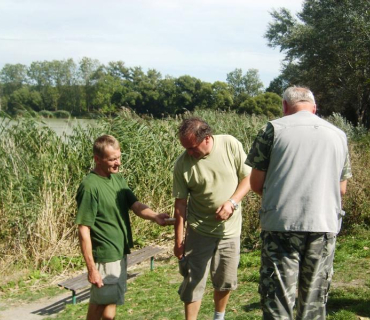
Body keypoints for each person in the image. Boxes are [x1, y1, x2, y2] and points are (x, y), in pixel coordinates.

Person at [246, 86, 352, 319]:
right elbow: (341, 188)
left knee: (278, 298)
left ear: (284, 106)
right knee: (314, 299)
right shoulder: (338, 134)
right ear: (314, 107)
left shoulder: (272, 129)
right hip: (323, 224)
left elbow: (255, 183)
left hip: (281, 224)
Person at [75, 134, 169, 320]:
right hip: (105, 255)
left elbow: (135, 205)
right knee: (98, 303)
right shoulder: (89, 186)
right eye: (112, 159)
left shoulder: (118, 179)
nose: (118, 163)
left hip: (119, 253)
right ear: (97, 159)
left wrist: (156, 216)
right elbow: (83, 229)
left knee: (111, 301)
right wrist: (92, 268)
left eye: (119, 157)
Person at [172, 117, 251, 320]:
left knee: (225, 280)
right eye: (186, 148)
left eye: (192, 147)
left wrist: (232, 202)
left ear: (207, 138)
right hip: (198, 231)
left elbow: (248, 178)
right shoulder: (182, 164)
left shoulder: (230, 144)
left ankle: (219, 316)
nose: (189, 152)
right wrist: (178, 240)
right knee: (193, 281)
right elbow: (180, 205)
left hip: (229, 231)